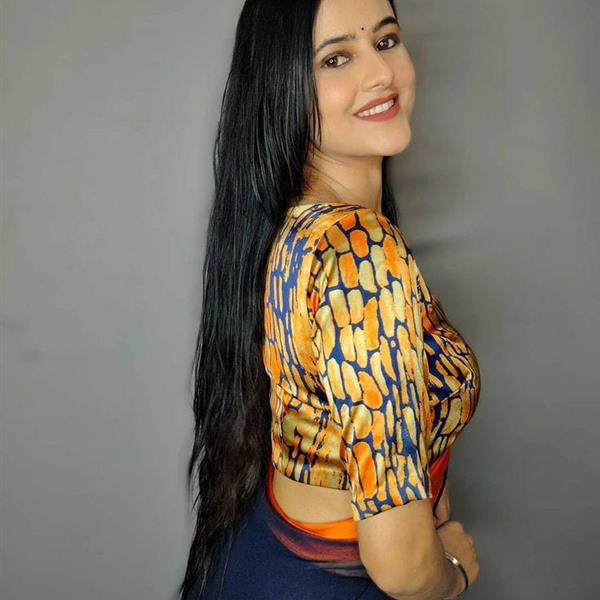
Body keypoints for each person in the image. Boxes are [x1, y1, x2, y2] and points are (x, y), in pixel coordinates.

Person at [179, 0, 481, 598]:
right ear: (282, 86)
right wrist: (454, 573)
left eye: (386, 42)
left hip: (260, 558)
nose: (381, 73)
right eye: (337, 58)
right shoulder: (359, 252)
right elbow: (403, 570)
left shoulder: (298, 225)